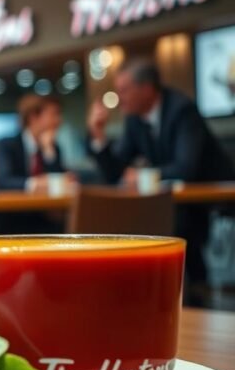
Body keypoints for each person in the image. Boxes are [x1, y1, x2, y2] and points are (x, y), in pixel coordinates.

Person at [86, 57, 235, 285]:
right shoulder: (134, 119)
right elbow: (117, 172)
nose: (119, 98)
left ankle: (195, 293)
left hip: (212, 200)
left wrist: (142, 176)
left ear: (146, 89)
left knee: (180, 230)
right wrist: (99, 137)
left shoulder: (182, 110)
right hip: (172, 203)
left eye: (124, 90)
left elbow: (186, 168)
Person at [0, 93, 72, 235]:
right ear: (33, 117)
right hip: (9, 221)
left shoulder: (54, 148)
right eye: (53, 115)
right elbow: (2, 182)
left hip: (41, 221)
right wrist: (35, 184)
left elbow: (58, 185)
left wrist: (48, 152)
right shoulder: (8, 145)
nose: (59, 121)